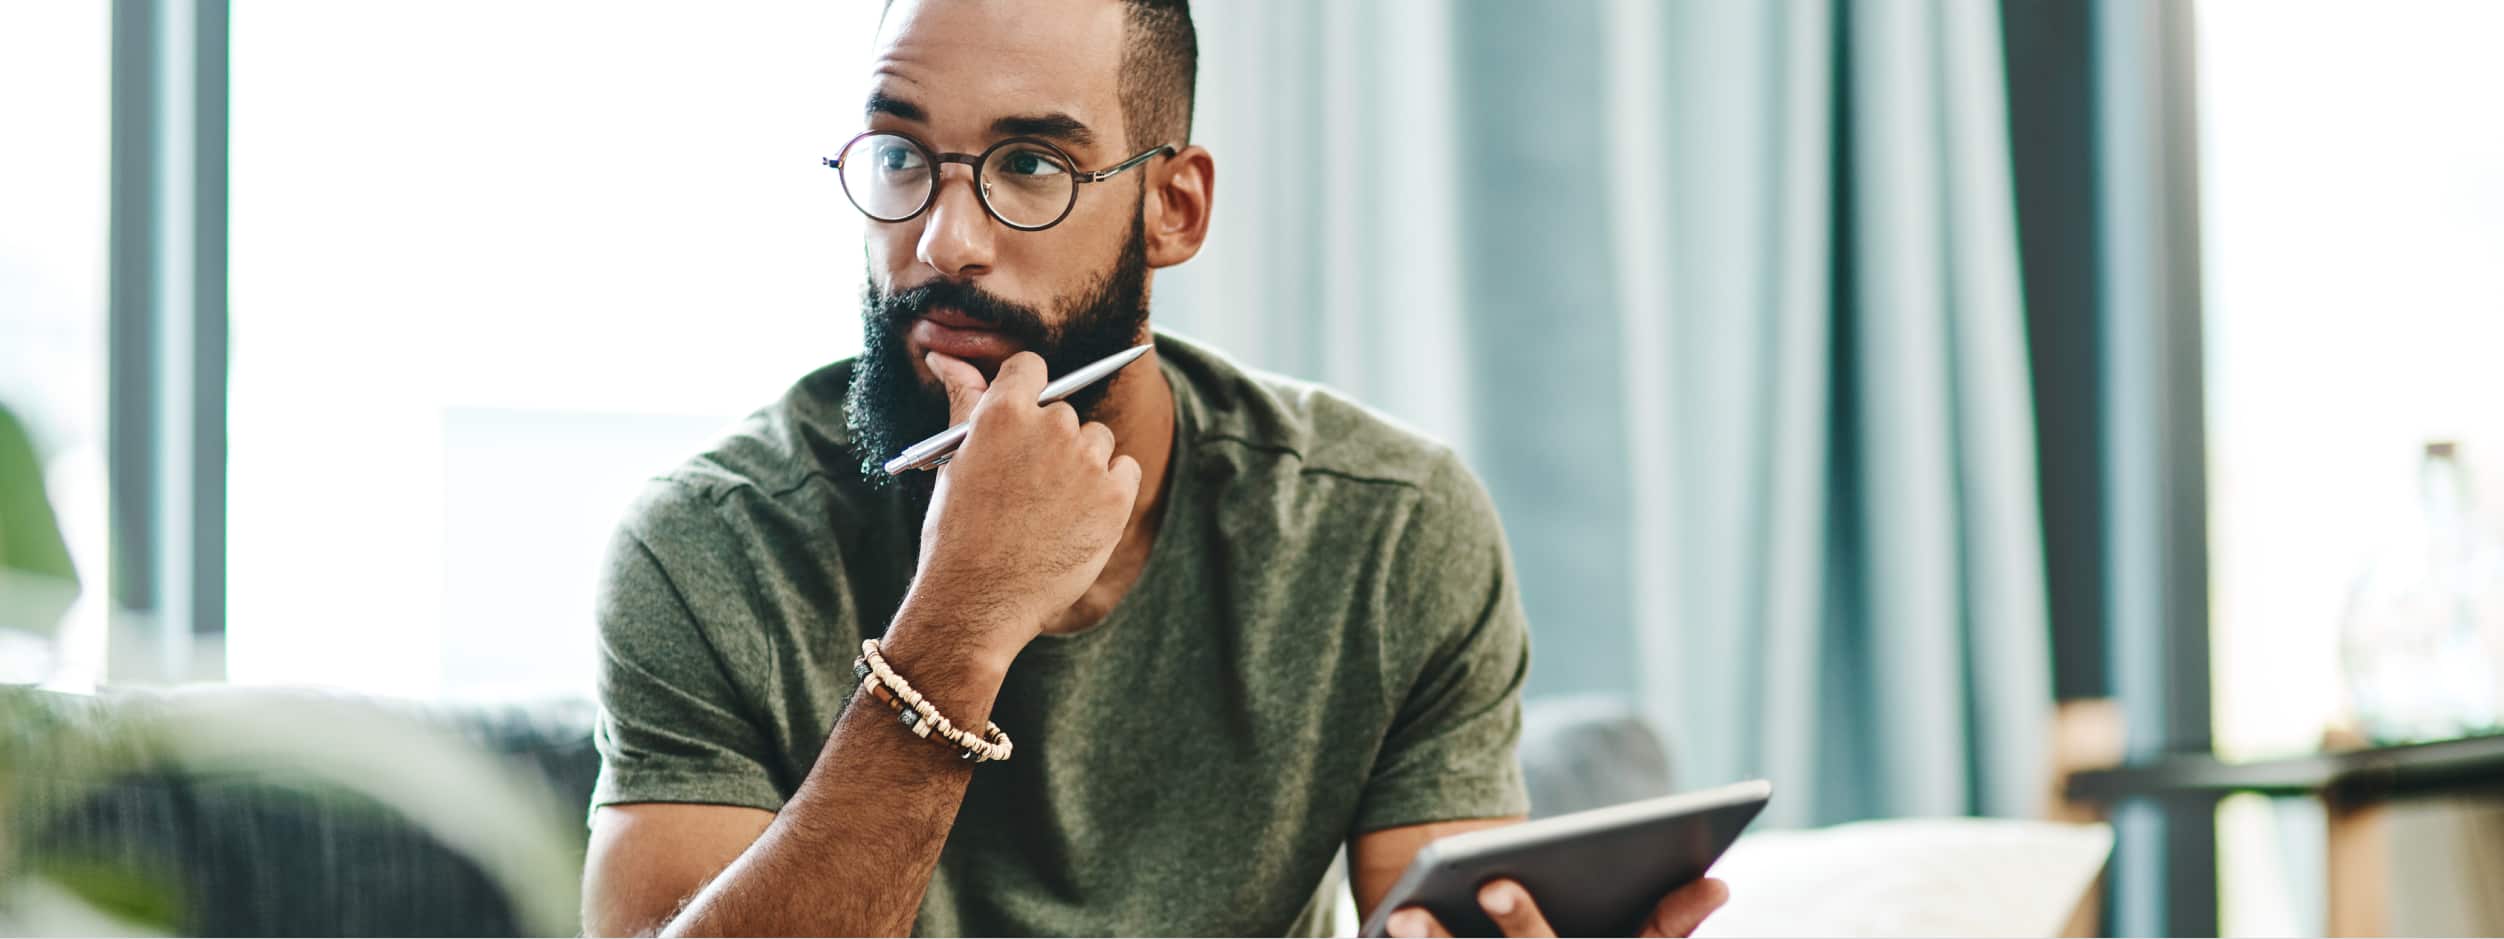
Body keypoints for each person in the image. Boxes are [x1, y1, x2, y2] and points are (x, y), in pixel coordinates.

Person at [579, 1, 1727, 935]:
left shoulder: (1385, 530)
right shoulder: (709, 543)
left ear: (1172, 209)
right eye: (898, 154)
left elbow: (1443, 920)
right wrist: (959, 624)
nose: (940, 239)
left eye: (1028, 164)